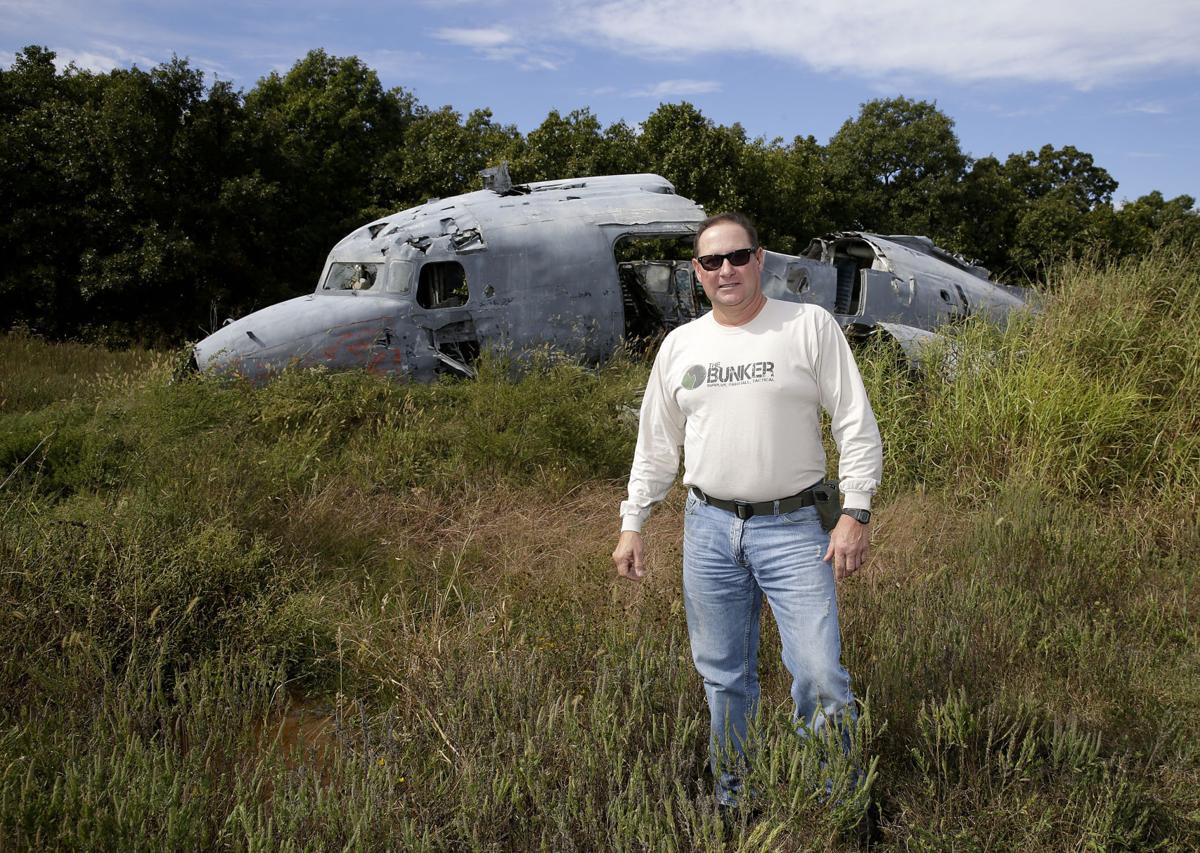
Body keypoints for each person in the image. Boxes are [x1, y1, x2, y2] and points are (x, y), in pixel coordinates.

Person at [611, 211, 883, 807]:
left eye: (738, 256)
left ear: (759, 260)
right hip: (709, 529)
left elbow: (855, 423)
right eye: (712, 261)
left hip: (795, 529)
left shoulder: (807, 326)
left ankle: (835, 804)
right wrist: (634, 522)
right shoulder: (680, 346)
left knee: (819, 675)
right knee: (724, 676)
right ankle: (734, 796)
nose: (726, 270)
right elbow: (656, 445)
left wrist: (855, 511)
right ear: (697, 271)